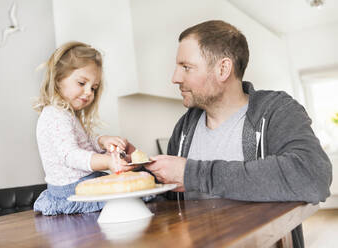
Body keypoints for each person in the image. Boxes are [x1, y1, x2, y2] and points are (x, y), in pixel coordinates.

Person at [145, 20, 332, 247]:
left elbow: (312, 175)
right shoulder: (184, 128)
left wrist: (191, 173)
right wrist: (141, 173)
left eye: (186, 67)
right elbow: (169, 200)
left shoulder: (276, 110)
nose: (175, 77)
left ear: (223, 69)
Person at [33, 41, 136, 215]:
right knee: (130, 194)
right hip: (73, 190)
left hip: (78, 185)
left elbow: (83, 145)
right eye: (82, 83)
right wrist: (107, 162)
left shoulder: (66, 114)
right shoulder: (55, 115)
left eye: (93, 88)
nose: (89, 92)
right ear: (58, 79)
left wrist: (101, 142)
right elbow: (71, 155)